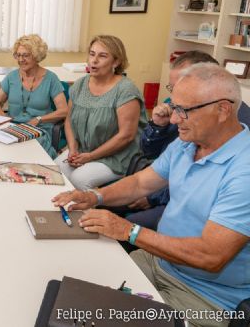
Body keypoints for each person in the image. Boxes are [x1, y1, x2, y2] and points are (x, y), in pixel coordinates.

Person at [53, 64, 250, 326]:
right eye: (174, 106)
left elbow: (211, 256)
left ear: (223, 109)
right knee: (75, 295)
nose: (174, 119)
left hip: (204, 297)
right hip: (158, 261)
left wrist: (130, 232)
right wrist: (95, 196)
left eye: (184, 110)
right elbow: (140, 184)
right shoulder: (186, 142)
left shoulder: (244, 171)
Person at [125, 51, 250, 230]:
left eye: (185, 83)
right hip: (162, 186)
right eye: (173, 87)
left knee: (127, 227)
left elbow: (198, 185)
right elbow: (148, 152)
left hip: (176, 202)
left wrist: (152, 197)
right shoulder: (177, 105)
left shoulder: (236, 126)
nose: (175, 117)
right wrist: (157, 126)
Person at [54, 35, 147, 190]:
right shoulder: (80, 85)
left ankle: (90, 213)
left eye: (102, 56)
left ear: (116, 62)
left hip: (118, 156)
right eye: (92, 54)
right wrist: (72, 149)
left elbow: (126, 136)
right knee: (56, 172)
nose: (94, 60)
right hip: (85, 149)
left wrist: (90, 157)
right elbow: (69, 120)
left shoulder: (126, 90)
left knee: (79, 179)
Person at [0, 34, 67, 157]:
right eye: (18, 55)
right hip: (13, 127)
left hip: (39, 130)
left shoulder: (51, 79)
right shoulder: (11, 77)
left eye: (26, 55)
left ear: (36, 56)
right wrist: (2, 116)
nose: (21, 59)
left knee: (24, 150)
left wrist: (39, 119)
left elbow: (64, 111)